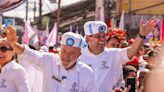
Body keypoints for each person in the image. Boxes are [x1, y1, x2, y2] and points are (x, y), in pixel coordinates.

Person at [4, 26, 96, 92]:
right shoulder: (49, 61)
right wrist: (13, 44)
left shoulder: (86, 72)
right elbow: (29, 54)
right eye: (63, 51)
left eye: (71, 53)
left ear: (80, 54)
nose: (66, 56)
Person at [80, 20, 157, 92]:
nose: (102, 40)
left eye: (103, 36)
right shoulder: (78, 56)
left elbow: (131, 51)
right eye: (98, 36)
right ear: (87, 38)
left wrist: (141, 35)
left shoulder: (112, 54)